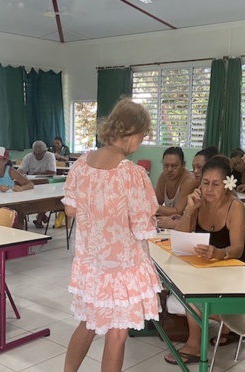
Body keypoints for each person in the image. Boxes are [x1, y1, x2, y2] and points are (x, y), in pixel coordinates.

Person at [61, 98, 161, 372]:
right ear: (133, 133)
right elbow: (142, 228)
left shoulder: (81, 164)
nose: (141, 142)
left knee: (88, 323)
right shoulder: (132, 174)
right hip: (123, 267)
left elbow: (70, 209)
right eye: (142, 136)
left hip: (92, 263)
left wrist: (97, 215)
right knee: (117, 334)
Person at [164, 156, 245, 365]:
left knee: (193, 296)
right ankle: (229, 324)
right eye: (205, 183)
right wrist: (190, 210)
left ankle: (196, 344)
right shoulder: (198, 203)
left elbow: (238, 248)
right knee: (185, 288)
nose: (209, 189)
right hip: (209, 268)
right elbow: (180, 237)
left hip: (236, 270)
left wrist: (219, 252)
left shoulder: (234, 206)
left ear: (227, 186)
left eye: (216, 184)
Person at [157, 146, 218, 230]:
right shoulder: (199, 190)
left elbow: (207, 225)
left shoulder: (191, 181)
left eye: (199, 167)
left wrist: (174, 223)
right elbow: (191, 219)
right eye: (166, 165)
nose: (195, 171)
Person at [155, 147, 199, 218]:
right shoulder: (163, 177)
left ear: (183, 165)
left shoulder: (189, 181)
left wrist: (151, 206)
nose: (169, 170)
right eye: (166, 165)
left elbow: (179, 211)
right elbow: (156, 201)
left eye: (174, 166)